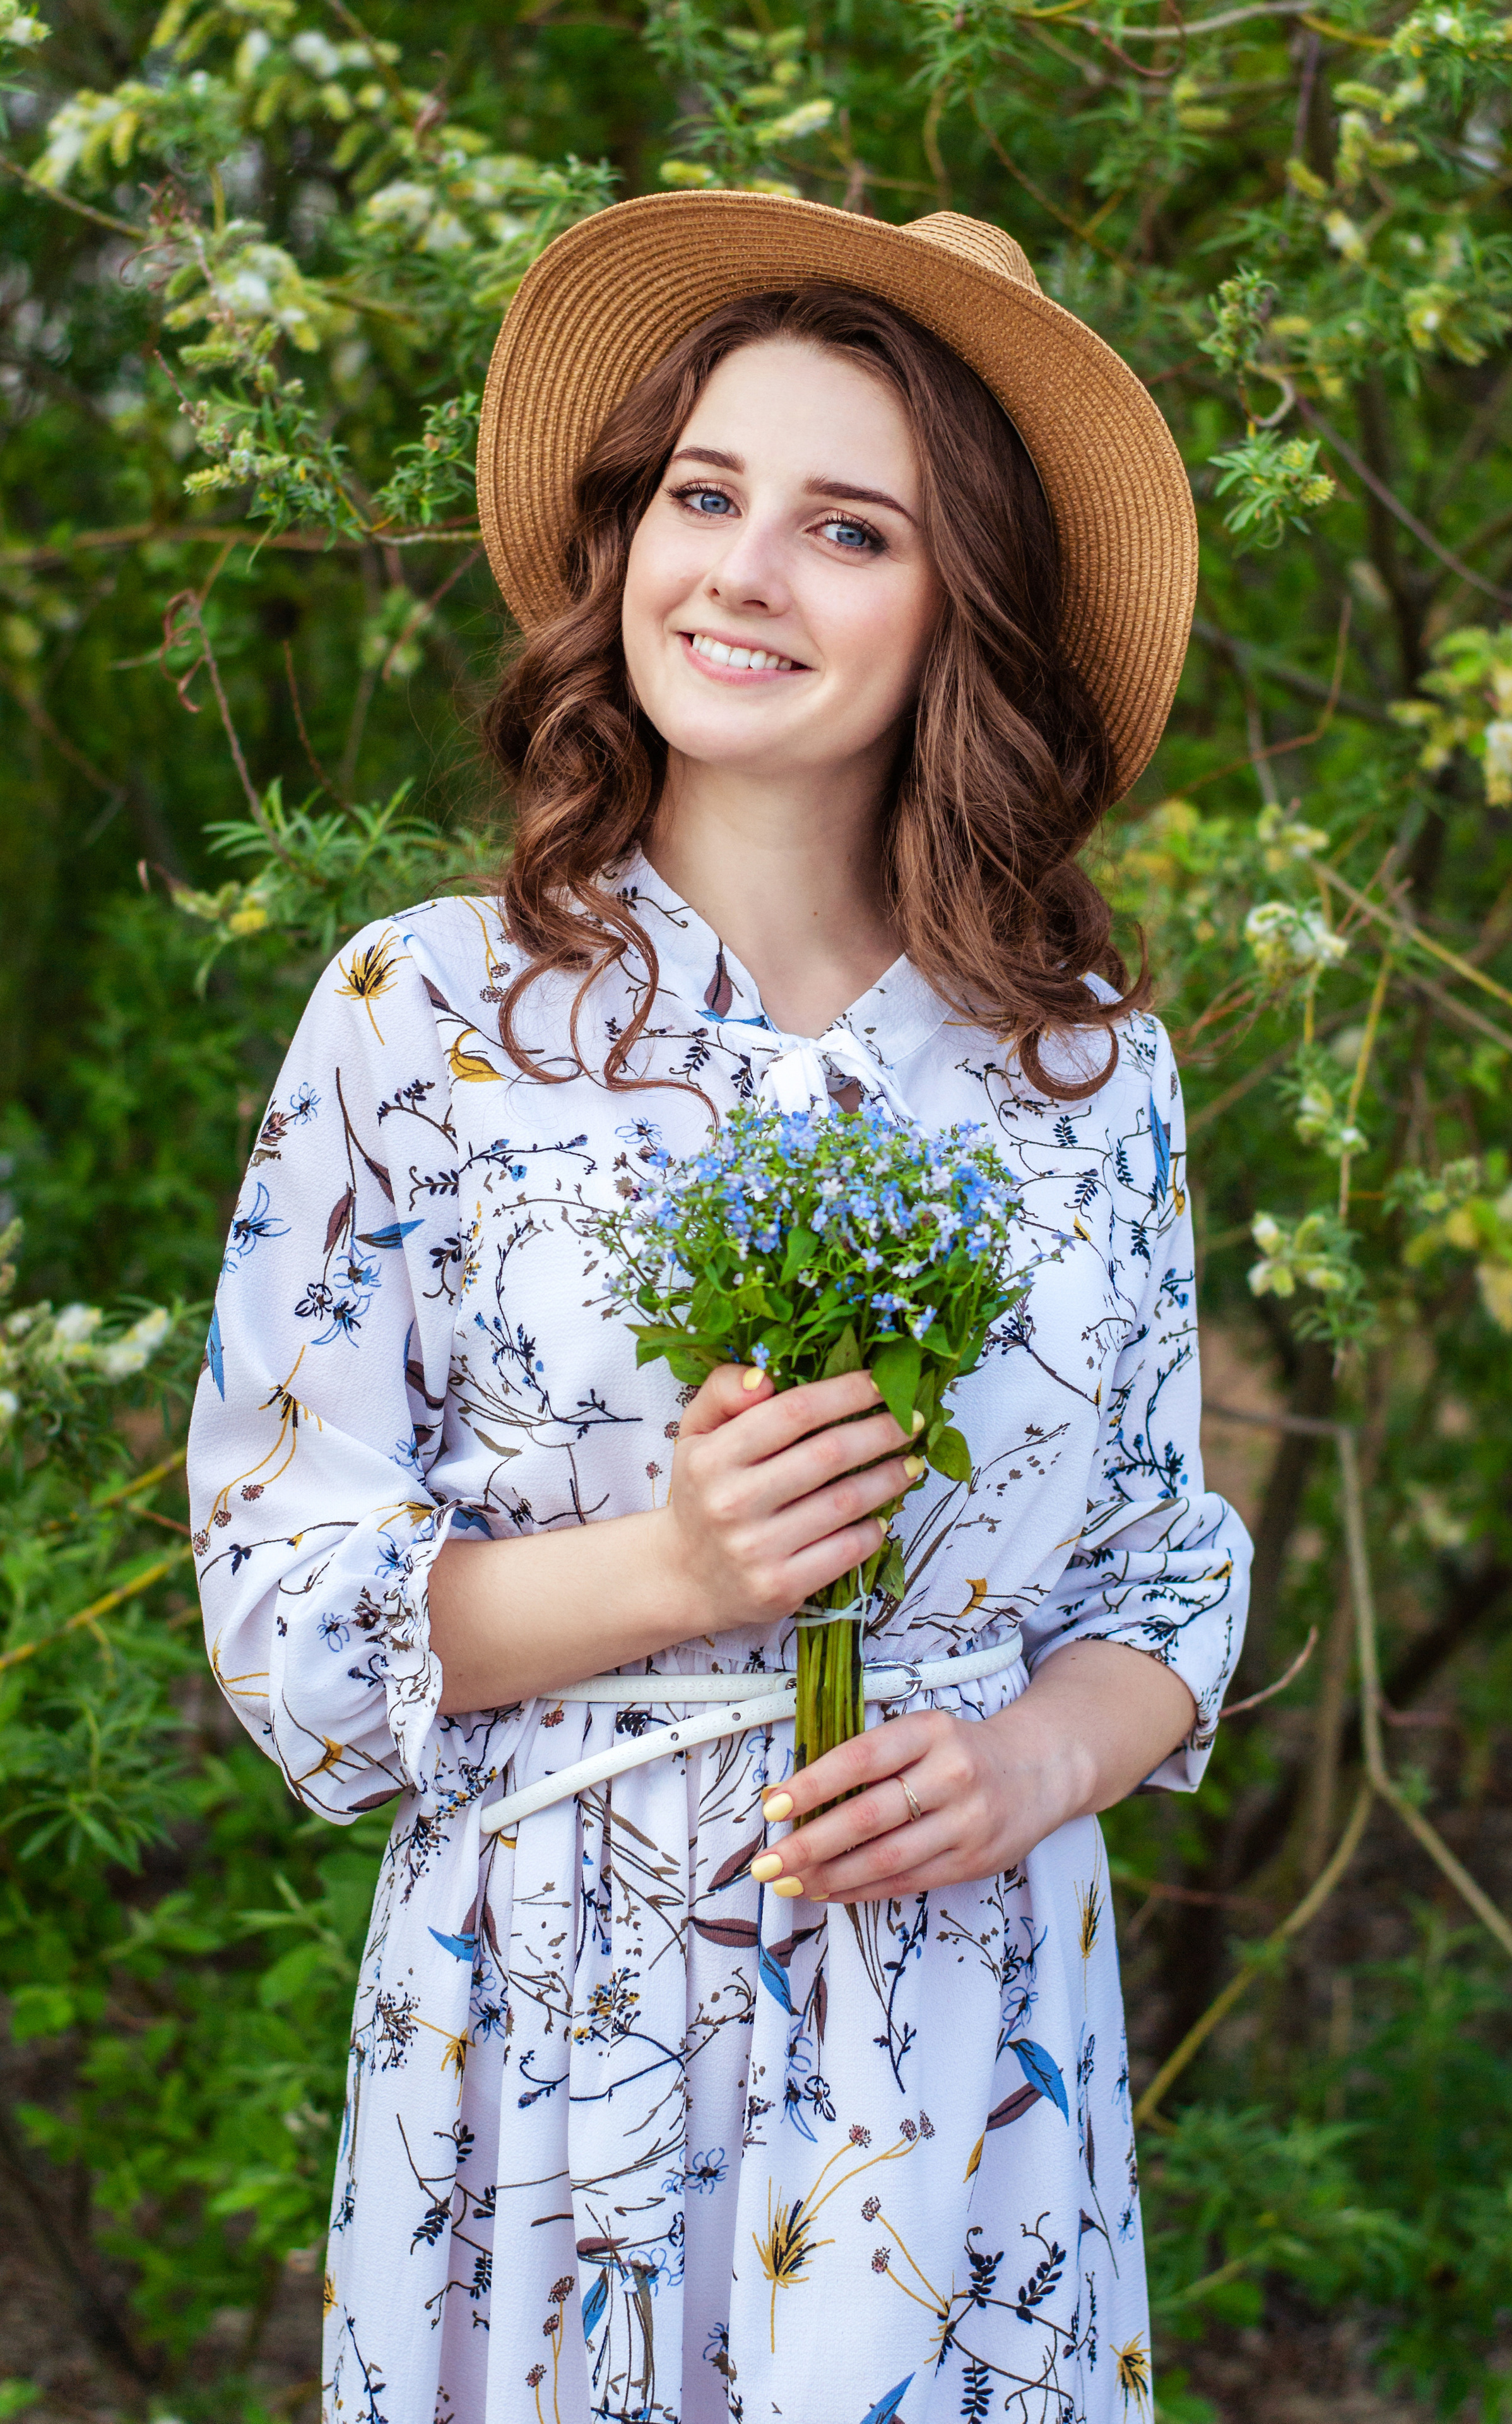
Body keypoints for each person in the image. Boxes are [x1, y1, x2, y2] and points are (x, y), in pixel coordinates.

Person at [189, 192, 1251, 2424]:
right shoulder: (422, 1012)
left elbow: (1161, 1566)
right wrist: (670, 1570)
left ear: (970, 612)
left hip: (960, 2046)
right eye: (703, 493)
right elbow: (286, 1602)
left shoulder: (1079, 1062)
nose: (743, 572)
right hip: (543, 2040)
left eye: (848, 528)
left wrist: (1026, 1763)